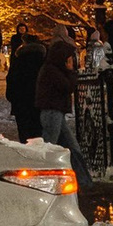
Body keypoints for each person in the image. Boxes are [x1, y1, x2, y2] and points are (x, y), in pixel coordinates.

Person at [36, 31, 92, 197]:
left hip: (55, 111)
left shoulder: (52, 69)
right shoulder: (52, 70)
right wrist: (72, 72)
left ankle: (83, 181)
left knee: (71, 146)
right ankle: (45, 179)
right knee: (50, 146)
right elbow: (67, 87)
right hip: (52, 112)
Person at [3, 32, 44, 142]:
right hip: (39, 101)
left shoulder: (19, 59)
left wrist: (12, 97)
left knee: (24, 133)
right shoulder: (43, 60)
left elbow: (11, 79)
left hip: (21, 102)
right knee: (39, 133)